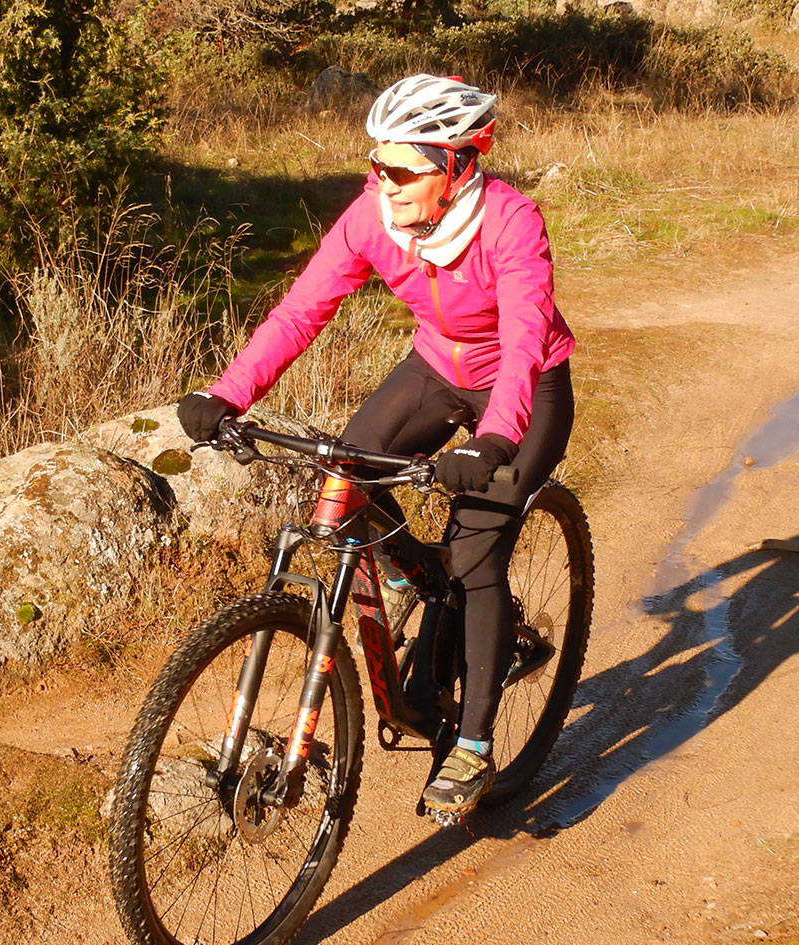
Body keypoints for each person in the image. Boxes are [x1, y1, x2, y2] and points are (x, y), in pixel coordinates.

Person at [178, 73, 577, 819]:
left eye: (399, 170)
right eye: (376, 166)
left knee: (477, 553)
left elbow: (525, 337)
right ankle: (415, 573)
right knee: (344, 476)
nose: (380, 183)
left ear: (456, 167)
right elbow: (302, 311)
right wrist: (229, 393)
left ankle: (474, 747)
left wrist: (494, 439)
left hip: (523, 392)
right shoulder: (373, 218)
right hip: (435, 368)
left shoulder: (511, 223)